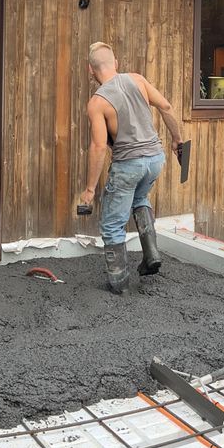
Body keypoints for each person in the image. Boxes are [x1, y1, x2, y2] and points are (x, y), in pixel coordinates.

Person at [76, 43, 187, 294]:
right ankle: (151, 253)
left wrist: (90, 190)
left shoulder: (97, 102)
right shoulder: (137, 79)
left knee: (112, 224)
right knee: (140, 198)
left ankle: (119, 283)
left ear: (90, 70)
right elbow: (166, 107)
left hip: (128, 165)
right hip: (155, 159)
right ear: (115, 63)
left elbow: (99, 146)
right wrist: (177, 139)